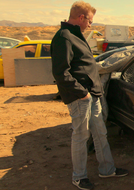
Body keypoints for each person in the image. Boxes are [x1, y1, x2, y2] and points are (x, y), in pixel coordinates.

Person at [50, 1, 128, 190]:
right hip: (80, 98)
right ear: (81, 18)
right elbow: (61, 73)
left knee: (100, 132)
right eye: (90, 22)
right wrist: (82, 93)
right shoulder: (64, 37)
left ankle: (107, 169)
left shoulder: (77, 36)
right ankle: (79, 177)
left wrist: (93, 92)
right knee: (81, 136)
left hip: (92, 95)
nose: (90, 25)